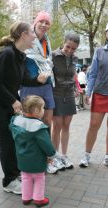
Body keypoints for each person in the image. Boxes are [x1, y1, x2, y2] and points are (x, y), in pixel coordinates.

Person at [0, 21, 44, 195]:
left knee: (14, 138)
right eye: (32, 32)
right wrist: (12, 101)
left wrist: (39, 79)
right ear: (23, 34)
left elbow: (24, 80)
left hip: (6, 101)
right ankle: (9, 181)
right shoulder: (6, 54)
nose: (34, 36)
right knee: (6, 141)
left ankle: (14, 174)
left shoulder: (21, 56)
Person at [20, 11, 62, 174]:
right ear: (35, 23)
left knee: (47, 123)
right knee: (28, 124)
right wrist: (35, 77)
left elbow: (46, 61)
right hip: (30, 86)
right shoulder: (27, 39)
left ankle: (47, 159)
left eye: (47, 22)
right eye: (41, 21)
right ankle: (28, 161)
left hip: (46, 85)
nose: (44, 25)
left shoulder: (47, 41)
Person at [9, 95, 61, 207]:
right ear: (36, 110)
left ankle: (26, 198)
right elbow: (47, 145)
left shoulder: (16, 122)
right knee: (39, 178)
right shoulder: (39, 127)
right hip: (37, 159)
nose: (44, 110)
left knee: (26, 177)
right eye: (43, 108)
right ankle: (38, 199)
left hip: (22, 158)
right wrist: (52, 155)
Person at [79, 24, 108, 167]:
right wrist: (88, 92)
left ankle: (107, 156)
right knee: (94, 125)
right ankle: (87, 155)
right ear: (106, 33)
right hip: (100, 93)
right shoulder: (99, 51)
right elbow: (93, 74)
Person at [51, 32, 80, 169]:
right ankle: (54, 156)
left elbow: (73, 75)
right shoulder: (53, 56)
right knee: (56, 127)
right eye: (68, 47)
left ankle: (64, 156)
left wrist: (75, 88)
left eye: (73, 48)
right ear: (64, 43)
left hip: (68, 95)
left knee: (66, 126)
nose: (70, 50)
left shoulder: (75, 59)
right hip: (56, 94)